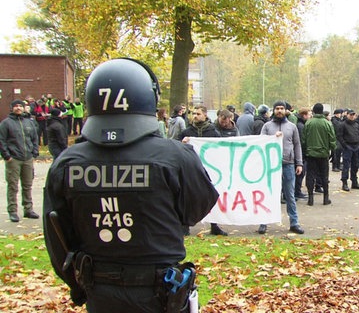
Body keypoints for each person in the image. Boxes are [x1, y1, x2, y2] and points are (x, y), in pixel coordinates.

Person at [43, 58, 219, 312]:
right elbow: (197, 209)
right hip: (160, 293)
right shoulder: (176, 156)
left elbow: (57, 238)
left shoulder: (66, 162)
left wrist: (79, 284)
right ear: (150, 98)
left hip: (100, 291)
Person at [179, 105, 228, 236]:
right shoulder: (186, 132)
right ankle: (185, 225)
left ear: (205, 115)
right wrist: (182, 144)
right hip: (191, 170)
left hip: (209, 170)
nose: (195, 116)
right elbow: (176, 149)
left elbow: (221, 149)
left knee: (211, 196)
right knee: (188, 197)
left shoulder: (213, 132)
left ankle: (214, 225)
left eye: (198, 114)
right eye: (194, 113)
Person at [258, 100, 304, 235]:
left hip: (288, 164)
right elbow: (261, 142)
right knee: (268, 194)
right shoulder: (267, 126)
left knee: (290, 195)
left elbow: (297, 145)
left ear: (285, 111)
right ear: (273, 110)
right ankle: (263, 222)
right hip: (271, 165)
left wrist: (299, 163)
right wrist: (273, 137)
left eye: (281, 108)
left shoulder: (292, 127)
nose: (279, 111)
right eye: (277, 108)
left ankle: (294, 223)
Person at [0, 99, 40, 223]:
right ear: (12, 108)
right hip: (14, 159)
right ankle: (12, 210)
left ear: (24, 108)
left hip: (27, 158)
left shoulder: (29, 122)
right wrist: (7, 156)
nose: (18, 108)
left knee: (27, 185)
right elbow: (2, 140)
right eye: (16, 106)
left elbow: (34, 138)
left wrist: (34, 151)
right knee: (13, 186)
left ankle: (28, 209)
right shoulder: (6, 123)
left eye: (20, 106)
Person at [302, 103, 336, 206]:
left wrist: (305, 151)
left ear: (313, 111)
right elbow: (332, 139)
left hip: (311, 154)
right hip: (323, 154)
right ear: (322, 111)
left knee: (310, 176)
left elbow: (304, 139)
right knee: (324, 176)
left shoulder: (308, 123)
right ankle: (326, 198)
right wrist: (331, 150)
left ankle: (310, 199)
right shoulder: (327, 123)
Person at [337, 109, 359, 191]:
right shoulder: (343, 125)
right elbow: (339, 136)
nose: (352, 116)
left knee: (355, 165)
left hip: (356, 147)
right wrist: (345, 145)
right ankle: (344, 182)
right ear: (347, 115)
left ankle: (354, 182)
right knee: (346, 166)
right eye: (350, 115)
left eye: (353, 115)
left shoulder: (357, 125)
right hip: (348, 147)